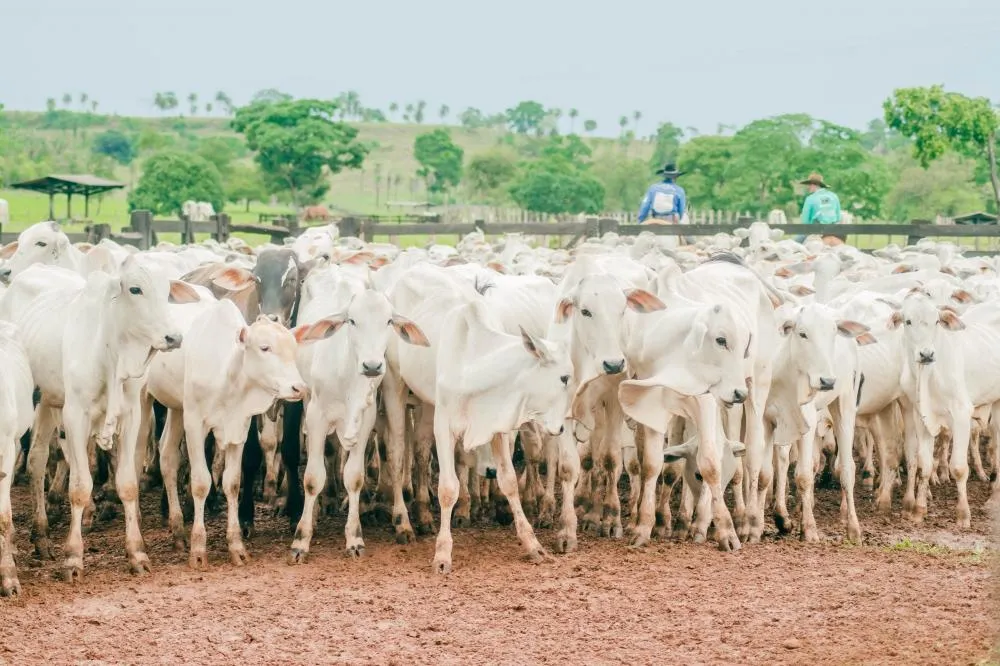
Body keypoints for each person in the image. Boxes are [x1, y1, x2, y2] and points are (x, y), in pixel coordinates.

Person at [798, 172, 845, 246]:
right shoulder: (834, 196)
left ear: (813, 185)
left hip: (817, 231)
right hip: (835, 231)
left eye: (809, 185)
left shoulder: (810, 199)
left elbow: (805, 222)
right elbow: (838, 217)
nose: (808, 187)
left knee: (793, 244)